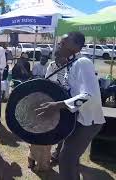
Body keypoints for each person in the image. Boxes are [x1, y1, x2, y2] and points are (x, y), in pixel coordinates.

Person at [35, 32, 106, 180]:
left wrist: (57, 105)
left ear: (76, 47)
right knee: (70, 159)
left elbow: (88, 95)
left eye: (64, 42)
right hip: (78, 120)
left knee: (66, 159)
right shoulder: (71, 64)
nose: (60, 44)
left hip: (88, 121)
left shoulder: (83, 63)